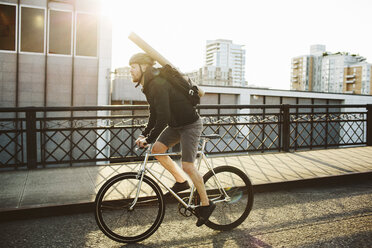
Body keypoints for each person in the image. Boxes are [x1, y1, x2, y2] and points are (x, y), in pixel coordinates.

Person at [129, 53, 215, 227]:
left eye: (132, 67)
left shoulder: (157, 85)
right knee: (157, 150)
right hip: (176, 126)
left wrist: (150, 138)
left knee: (188, 166)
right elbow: (154, 114)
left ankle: (206, 204)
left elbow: (163, 117)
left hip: (190, 124)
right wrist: (145, 134)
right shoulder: (149, 85)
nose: (130, 71)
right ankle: (181, 182)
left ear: (143, 67)